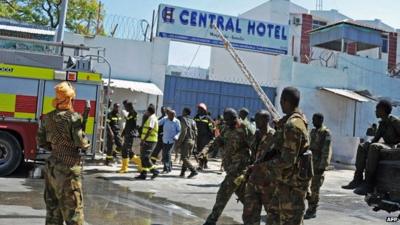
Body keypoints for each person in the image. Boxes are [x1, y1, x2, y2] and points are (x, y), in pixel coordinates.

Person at [37, 81, 90, 225]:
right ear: (69, 99)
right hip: (68, 168)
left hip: (52, 167)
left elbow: (41, 142)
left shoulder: (47, 117)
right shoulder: (74, 118)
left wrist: (57, 147)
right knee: (74, 214)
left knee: (53, 213)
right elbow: (81, 143)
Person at [265, 87, 311, 225]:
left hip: (292, 186)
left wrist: (263, 167)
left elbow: (287, 160)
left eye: (281, 101)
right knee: (273, 217)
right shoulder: (297, 119)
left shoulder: (293, 125)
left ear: (285, 101)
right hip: (286, 183)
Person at [199, 108, 252, 225]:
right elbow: (217, 140)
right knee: (246, 198)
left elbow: (255, 147)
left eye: (228, 120)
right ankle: (256, 219)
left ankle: (211, 221)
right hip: (230, 168)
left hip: (239, 169)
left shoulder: (245, 129)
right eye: (225, 120)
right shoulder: (226, 128)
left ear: (235, 118)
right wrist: (205, 150)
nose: (226, 123)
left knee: (223, 193)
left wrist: (250, 169)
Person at [347, 100, 400, 195]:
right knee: (363, 145)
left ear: (383, 110)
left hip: (394, 147)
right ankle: (357, 179)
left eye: (377, 109)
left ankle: (368, 183)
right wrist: (367, 144)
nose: (375, 111)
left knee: (374, 147)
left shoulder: (395, 121)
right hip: (387, 145)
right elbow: (376, 139)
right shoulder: (382, 123)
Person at [242, 110, 276, 225]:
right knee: (249, 214)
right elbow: (253, 155)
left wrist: (260, 166)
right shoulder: (256, 135)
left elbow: (278, 160)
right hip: (253, 181)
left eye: (259, 119)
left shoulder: (274, 136)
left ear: (267, 120)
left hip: (268, 183)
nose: (256, 121)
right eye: (255, 119)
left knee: (272, 215)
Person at [304, 113, 332, 219]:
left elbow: (326, 150)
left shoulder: (325, 132)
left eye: (314, 120)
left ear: (320, 120)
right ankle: (308, 207)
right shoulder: (313, 131)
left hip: (318, 166)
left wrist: (323, 166)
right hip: (310, 164)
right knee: (307, 187)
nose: (312, 121)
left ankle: (312, 210)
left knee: (315, 189)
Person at [136, 104, 160, 180]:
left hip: (150, 140)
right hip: (148, 140)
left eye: (146, 111)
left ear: (149, 112)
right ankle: (143, 173)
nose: (145, 112)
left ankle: (154, 171)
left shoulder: (152, 118)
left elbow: (150, 129)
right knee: (142, 157)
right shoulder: (150, 117)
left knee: (145, 157)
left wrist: (143, 140)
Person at [175, 107, 198, 178]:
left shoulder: (183, 120)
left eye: (183, 111)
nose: (182, 112)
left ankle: (193, 170)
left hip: (186, 141)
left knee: (184, 158)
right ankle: (182, 173)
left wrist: (179, 143)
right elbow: (196, 133)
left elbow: (183, 132)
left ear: (185, 112)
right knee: (186, 158)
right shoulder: (193, 121)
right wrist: (195, 143)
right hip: (192, 141)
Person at [158, 109, 181, 173]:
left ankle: (166, 168)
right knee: (165, 153)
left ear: (174, 115)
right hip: (164, 139)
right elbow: (158, 123)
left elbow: (179, 131)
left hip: (172, 140)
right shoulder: (165, 119)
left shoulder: (177, 121)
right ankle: (169, 167)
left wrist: (176, 136)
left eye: (173, 115)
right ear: (168, 115)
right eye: (170, 115)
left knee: (167, 153)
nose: (171, 117)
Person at [118, 102, 138, 173]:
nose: (125, 108)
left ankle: (125, 168)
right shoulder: (130, 113)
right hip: (127, 134)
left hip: (130, 134)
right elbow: (127, 124)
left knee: (126, 150)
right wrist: (123, 132)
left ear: (130, 107)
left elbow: (129, 119)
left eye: (126, 107)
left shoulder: (134, 113)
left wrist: (124, 115)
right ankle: (139, 163)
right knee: (127, 151)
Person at [194, 103, 214, 170]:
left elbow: (211, 128)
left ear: (203, 110)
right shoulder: (196, 117)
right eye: (198, 109)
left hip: (205, 138)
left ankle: (203, 164)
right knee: (199, 151)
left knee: (203, 151)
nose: (198, 110)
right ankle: (202, 165)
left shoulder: (208, 119)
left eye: (200, 109)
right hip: (198, 137)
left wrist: (211, 137)